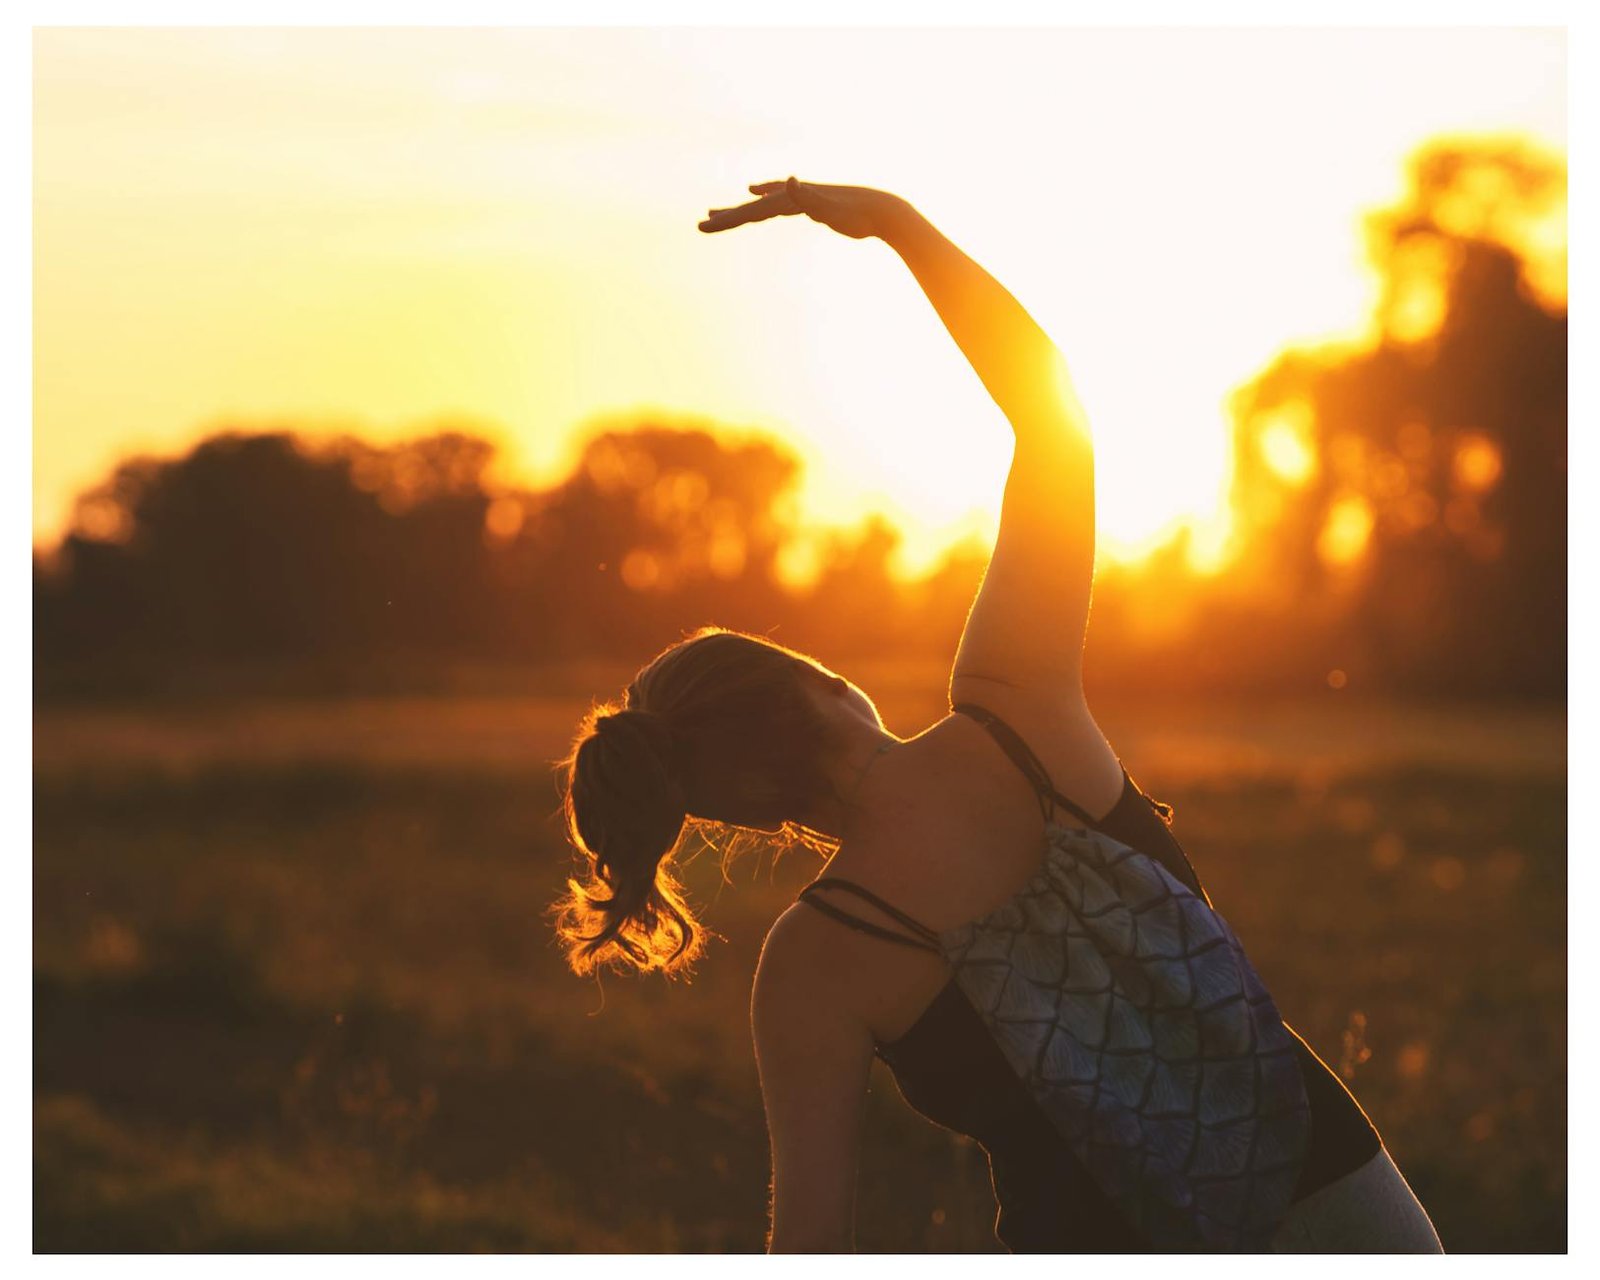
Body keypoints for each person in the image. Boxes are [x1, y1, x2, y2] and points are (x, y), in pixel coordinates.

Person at [552, 178, 1443, 1254]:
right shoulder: (1018, 714)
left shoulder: (813, 965)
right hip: (1339, 1207)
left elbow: (814, 1249)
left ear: (738, 811)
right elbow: (1050, 417)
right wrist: (896, 225)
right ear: (825, 682)